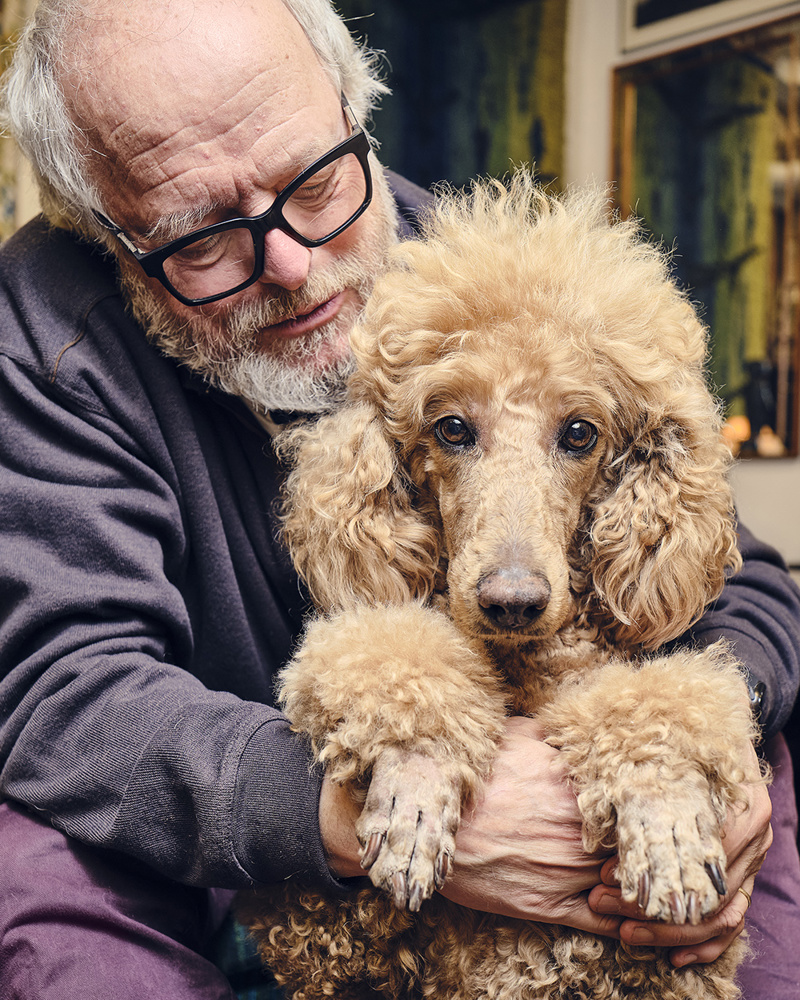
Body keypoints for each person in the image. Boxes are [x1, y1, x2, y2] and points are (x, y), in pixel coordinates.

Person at [0, 0, 797, 997]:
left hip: (564, 740)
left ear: (351, 108)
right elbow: (65, 690)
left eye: (317, 178)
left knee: (751, 746)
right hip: (242, 813)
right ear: (108, 233)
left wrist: (718, 754)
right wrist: (348, 813)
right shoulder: (42, 337)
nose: (292, 267)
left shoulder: (470, 266)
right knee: (26, 848)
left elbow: (739, 577)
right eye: (200, 236)